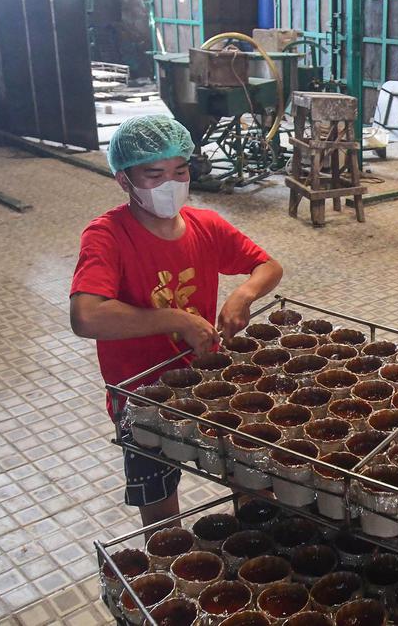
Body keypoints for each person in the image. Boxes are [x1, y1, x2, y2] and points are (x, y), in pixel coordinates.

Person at [69, 115, 283, 526]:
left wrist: (244, 293)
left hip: (207, 379)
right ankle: (165, 565)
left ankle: (260, 541)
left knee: (251, 473)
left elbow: (268, 266)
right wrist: (177, 319)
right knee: (160, 502)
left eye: (179, 171)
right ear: (123, 179)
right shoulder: (108, 236)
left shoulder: (206, 226)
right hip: (143, 394)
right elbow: (87, 315)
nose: (169, 183)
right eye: (153, 173)